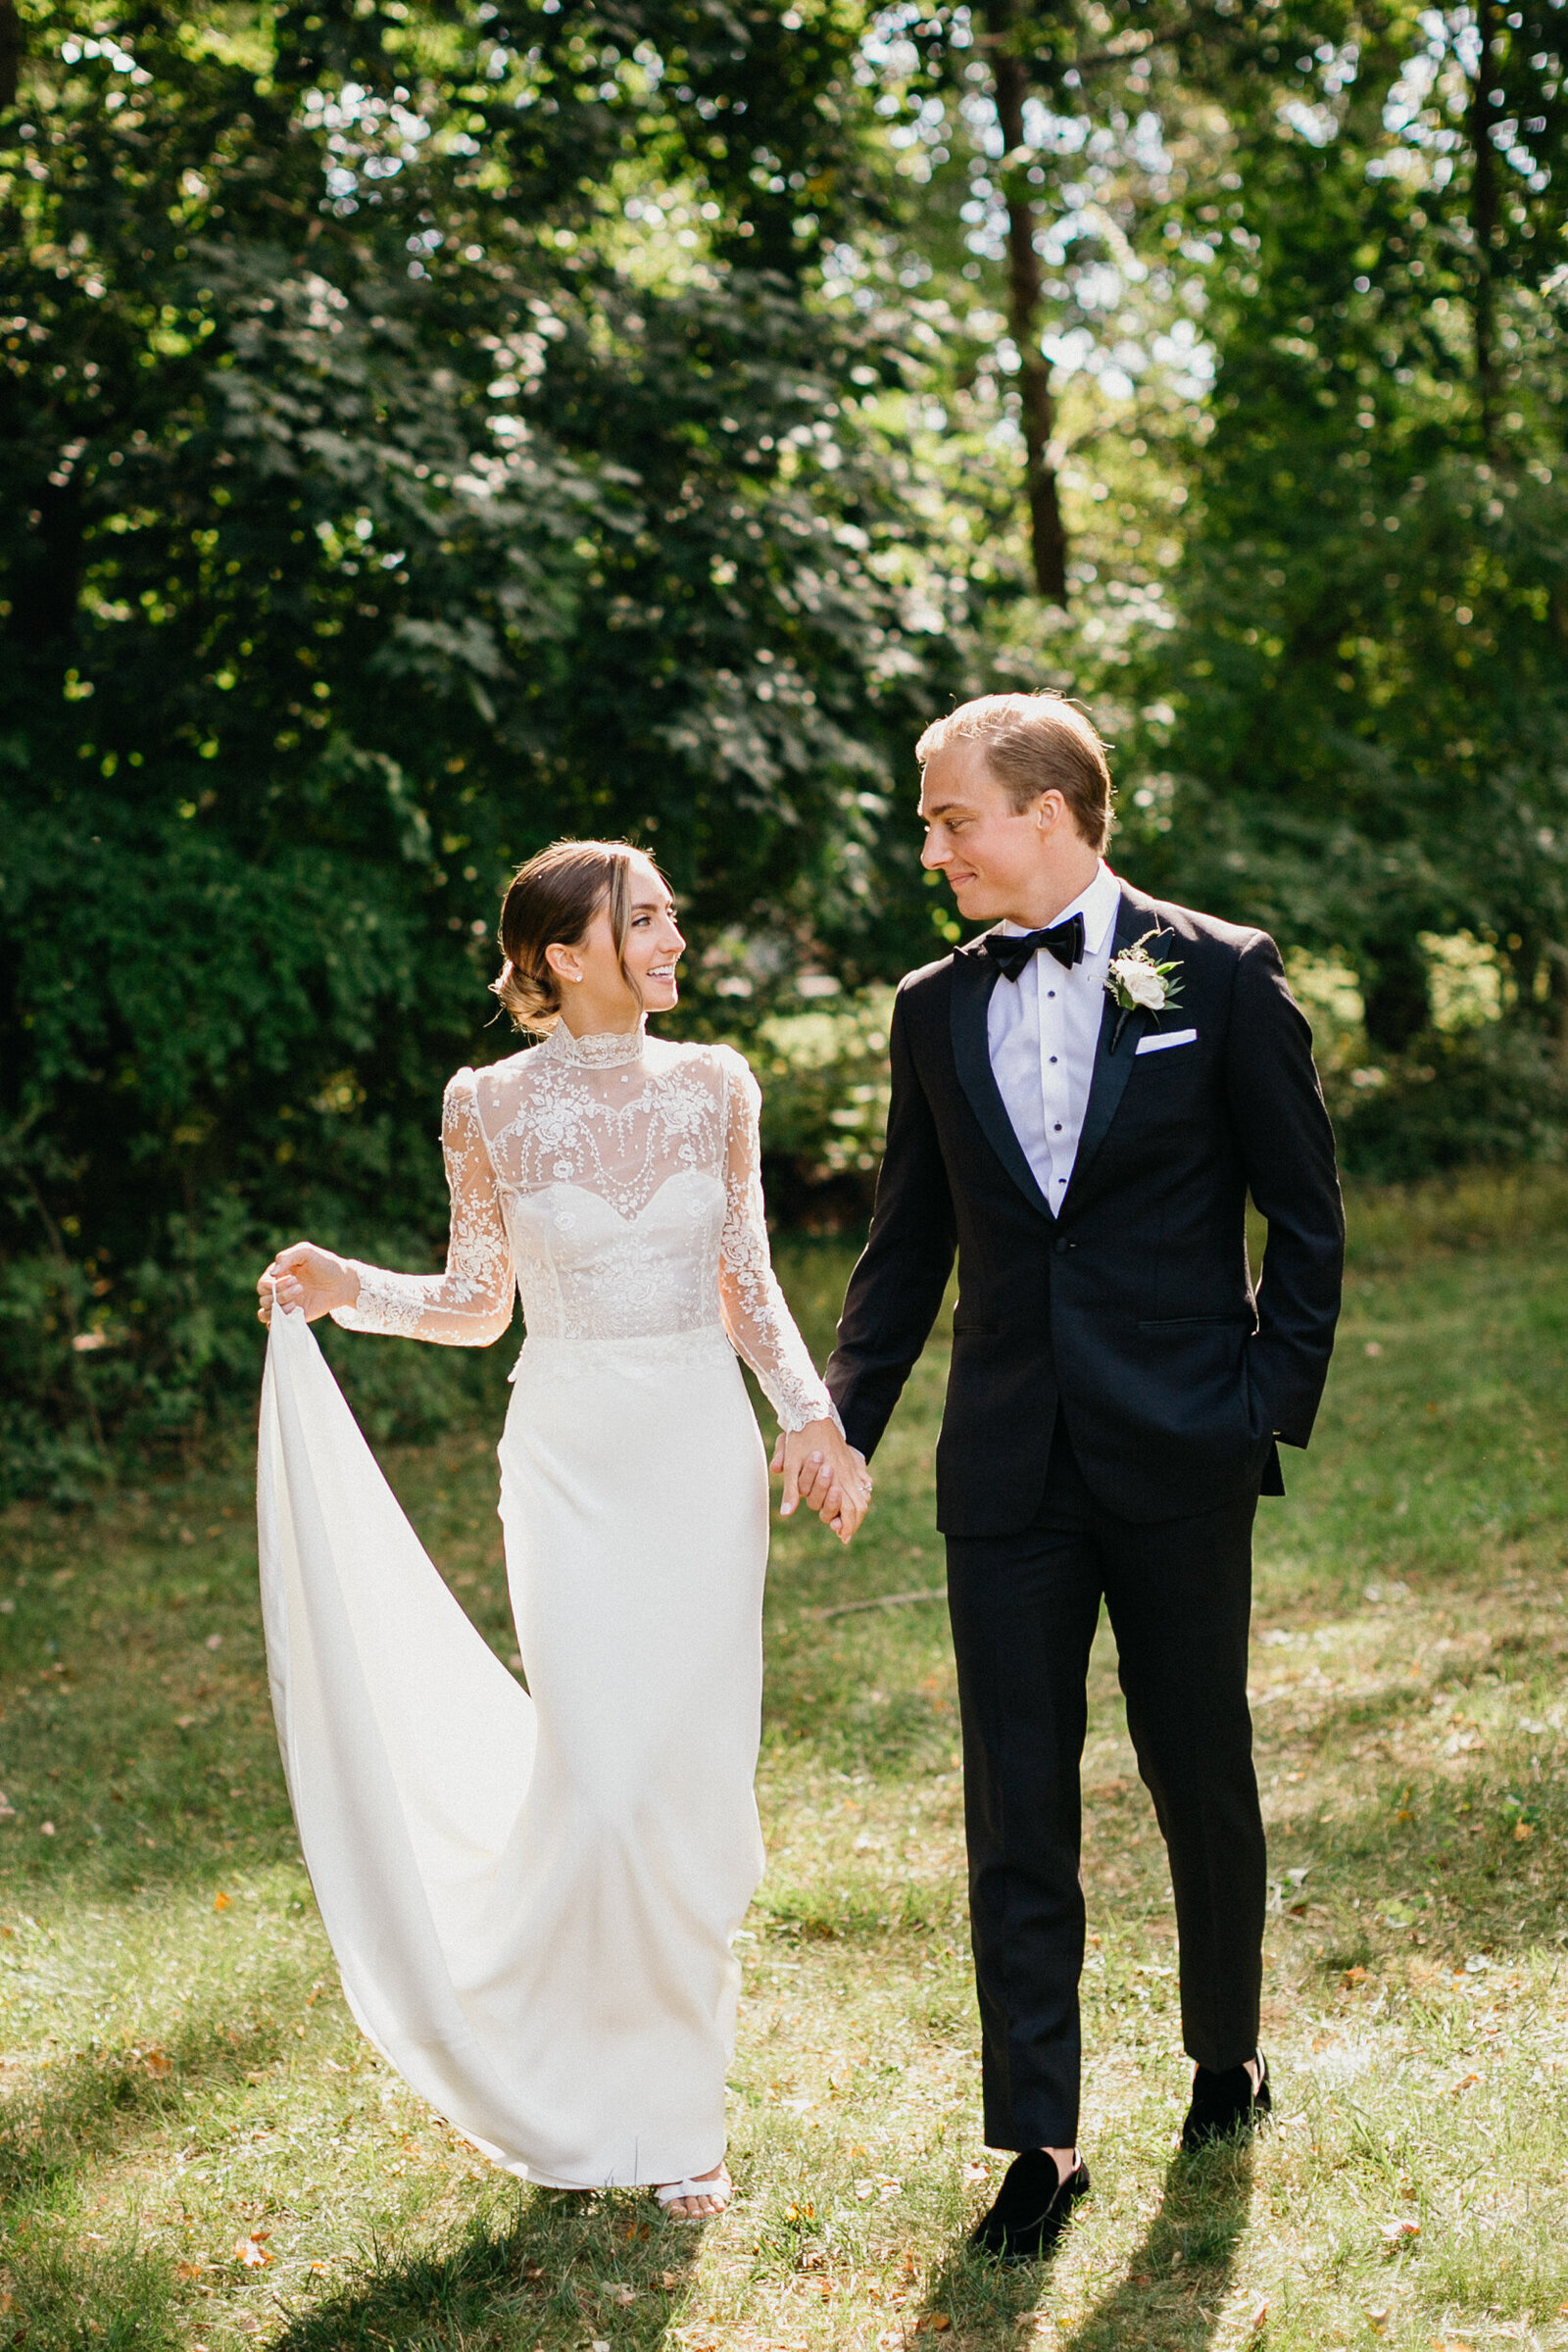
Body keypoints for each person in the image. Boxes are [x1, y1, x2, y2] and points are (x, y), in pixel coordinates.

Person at [255, 839, 870, 2220]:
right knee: (599, 1782)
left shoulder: (719, 1083)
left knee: (685, 1786)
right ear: (560, 955)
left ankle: (681, 2114)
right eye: (640, 920)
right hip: (570, 1461)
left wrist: (811, 1418)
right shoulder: (487, 1107)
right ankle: (589, 2077)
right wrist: (350, 1287)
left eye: (670, 917)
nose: (671, 941)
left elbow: (748, 1281)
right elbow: (482, 1301)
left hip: (696, 1461)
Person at [823, 695, 1344, 2259]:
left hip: (1182, 1444)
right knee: (1014, 1801)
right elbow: (908, 1237)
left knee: (1200, 1770)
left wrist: (1260, 1404)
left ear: (1047, 813)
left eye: (949, 817)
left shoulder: (1221, 972)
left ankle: (1225, 2054)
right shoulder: (930, 1008)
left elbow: (1304, 1219)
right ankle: (1040, 2141)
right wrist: (850, 1413)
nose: (933, 846)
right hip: (1006, 1465)